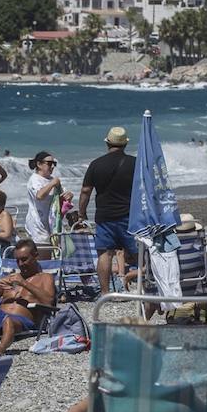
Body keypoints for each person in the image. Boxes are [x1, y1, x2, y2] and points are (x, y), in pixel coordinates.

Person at [79, 126, 137, 295]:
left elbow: (85, 191)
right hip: (129, 215)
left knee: (105, 254)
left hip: (104, 216)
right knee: (139, 253)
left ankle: (105, 293)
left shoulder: (96, 164)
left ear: (108, 143)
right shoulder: (134, 163)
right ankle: (146, 288)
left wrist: (82, 212)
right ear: (125, 144)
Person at [25, 150, 61, 246]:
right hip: (37, 223)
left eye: (54, 164)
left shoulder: (51, 179)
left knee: (53, 253)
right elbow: (39, 195)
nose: (52, 166)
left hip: (51, 223)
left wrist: (68, 195)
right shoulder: (34, 179)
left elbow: (60, 197)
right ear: (39, 164)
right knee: (43, 254)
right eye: (49, 163)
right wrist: (52, 184)